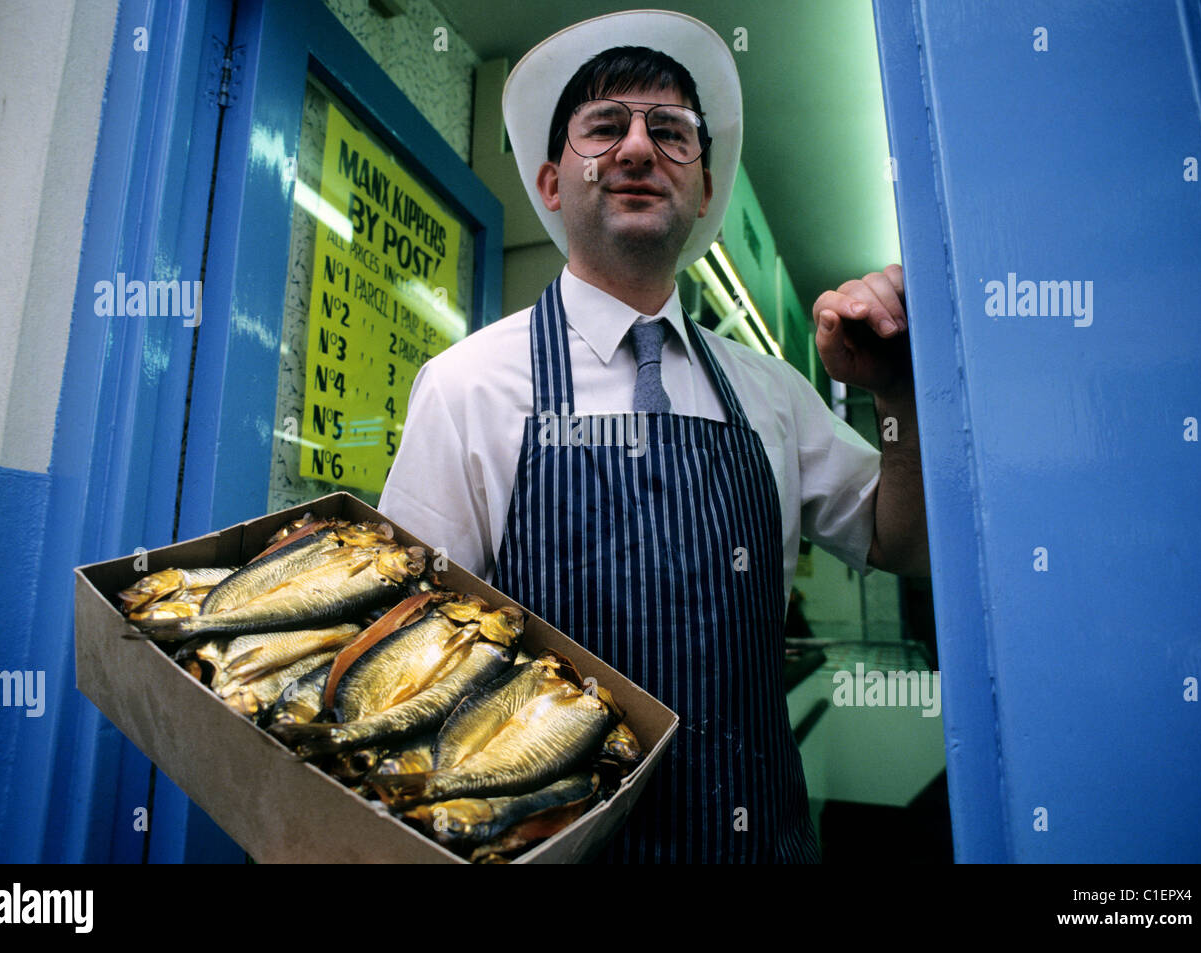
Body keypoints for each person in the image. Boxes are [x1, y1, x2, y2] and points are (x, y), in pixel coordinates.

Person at [378, 9, 928, 863]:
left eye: (671, 132)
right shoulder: (467, 386)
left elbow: (904, 543)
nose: (638, 149)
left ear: (705, 189)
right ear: (553, 182)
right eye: (606, 127)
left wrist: (897, 395)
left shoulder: (770, 392)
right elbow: (412, 656)